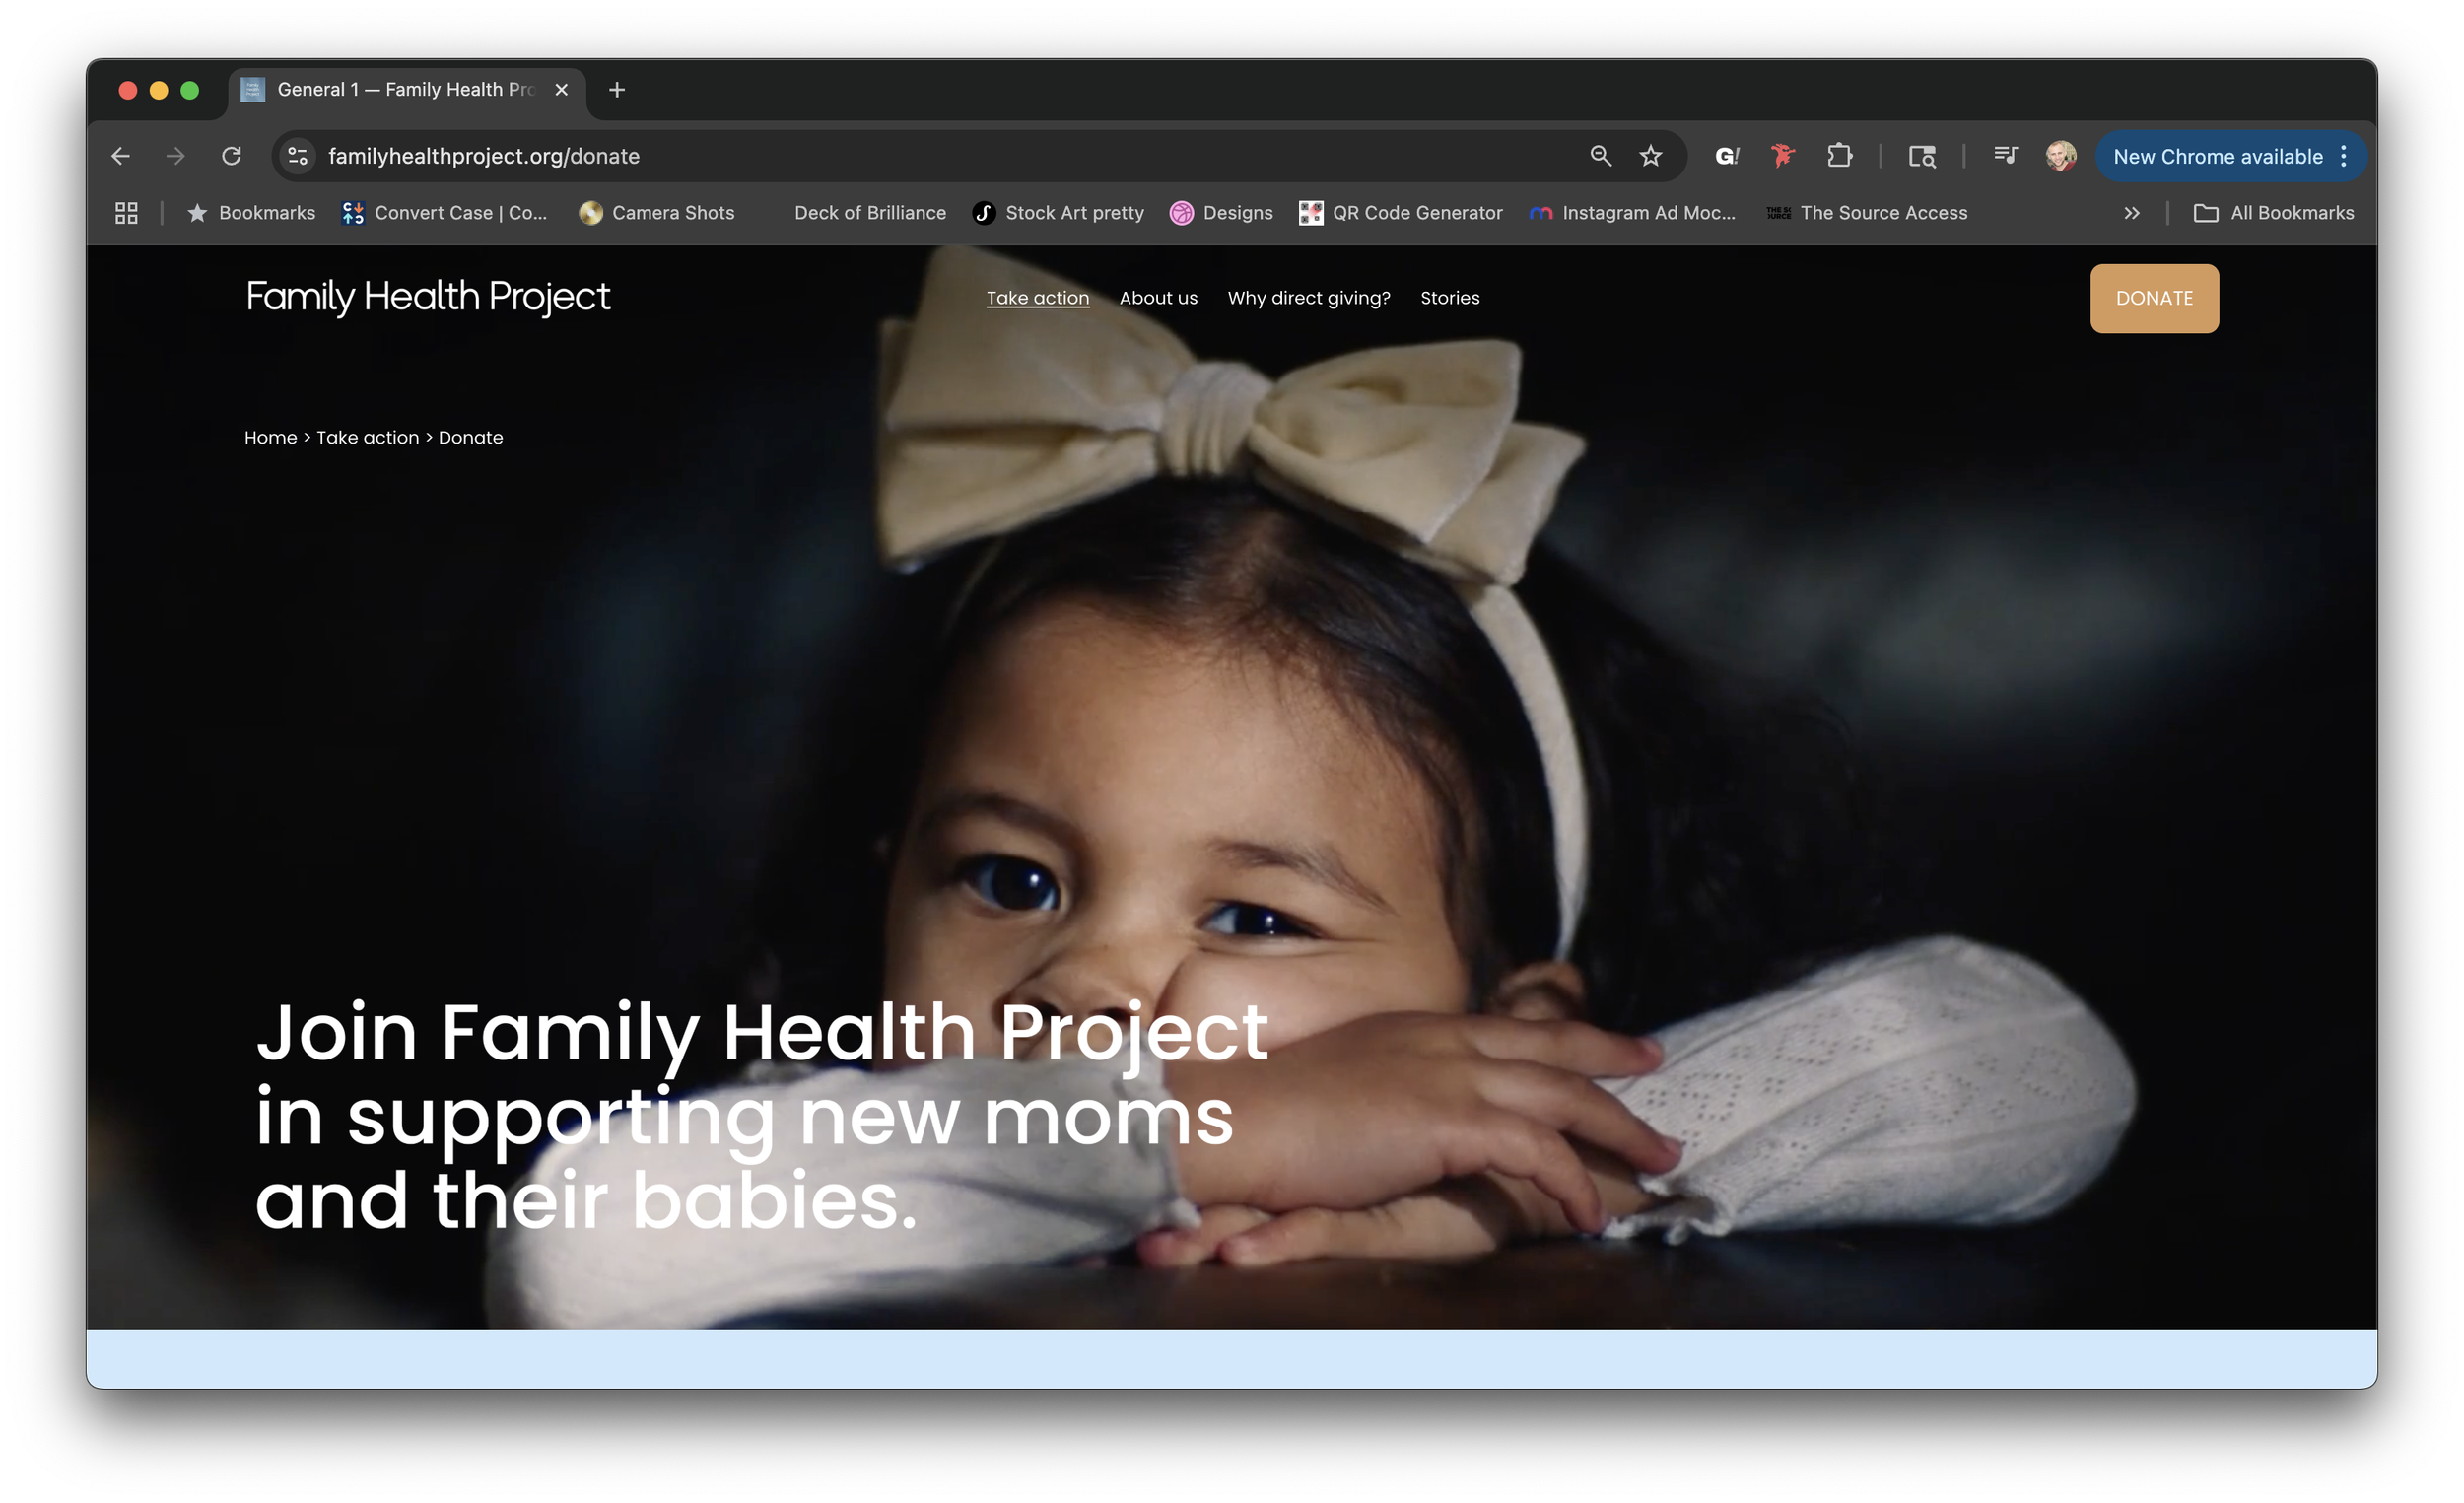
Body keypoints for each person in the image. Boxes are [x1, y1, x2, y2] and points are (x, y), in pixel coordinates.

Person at [486, 247, 2136, 1329]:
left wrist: (1523, 1162)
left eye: (1255, 914)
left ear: (1514, 1011)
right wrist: (1215, 1129)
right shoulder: (844, 1162)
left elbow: (2013, 1050)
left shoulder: (1495, 1171)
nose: (1096, 985)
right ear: (884, 886)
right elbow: (586, 1241)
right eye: (1008, 880)